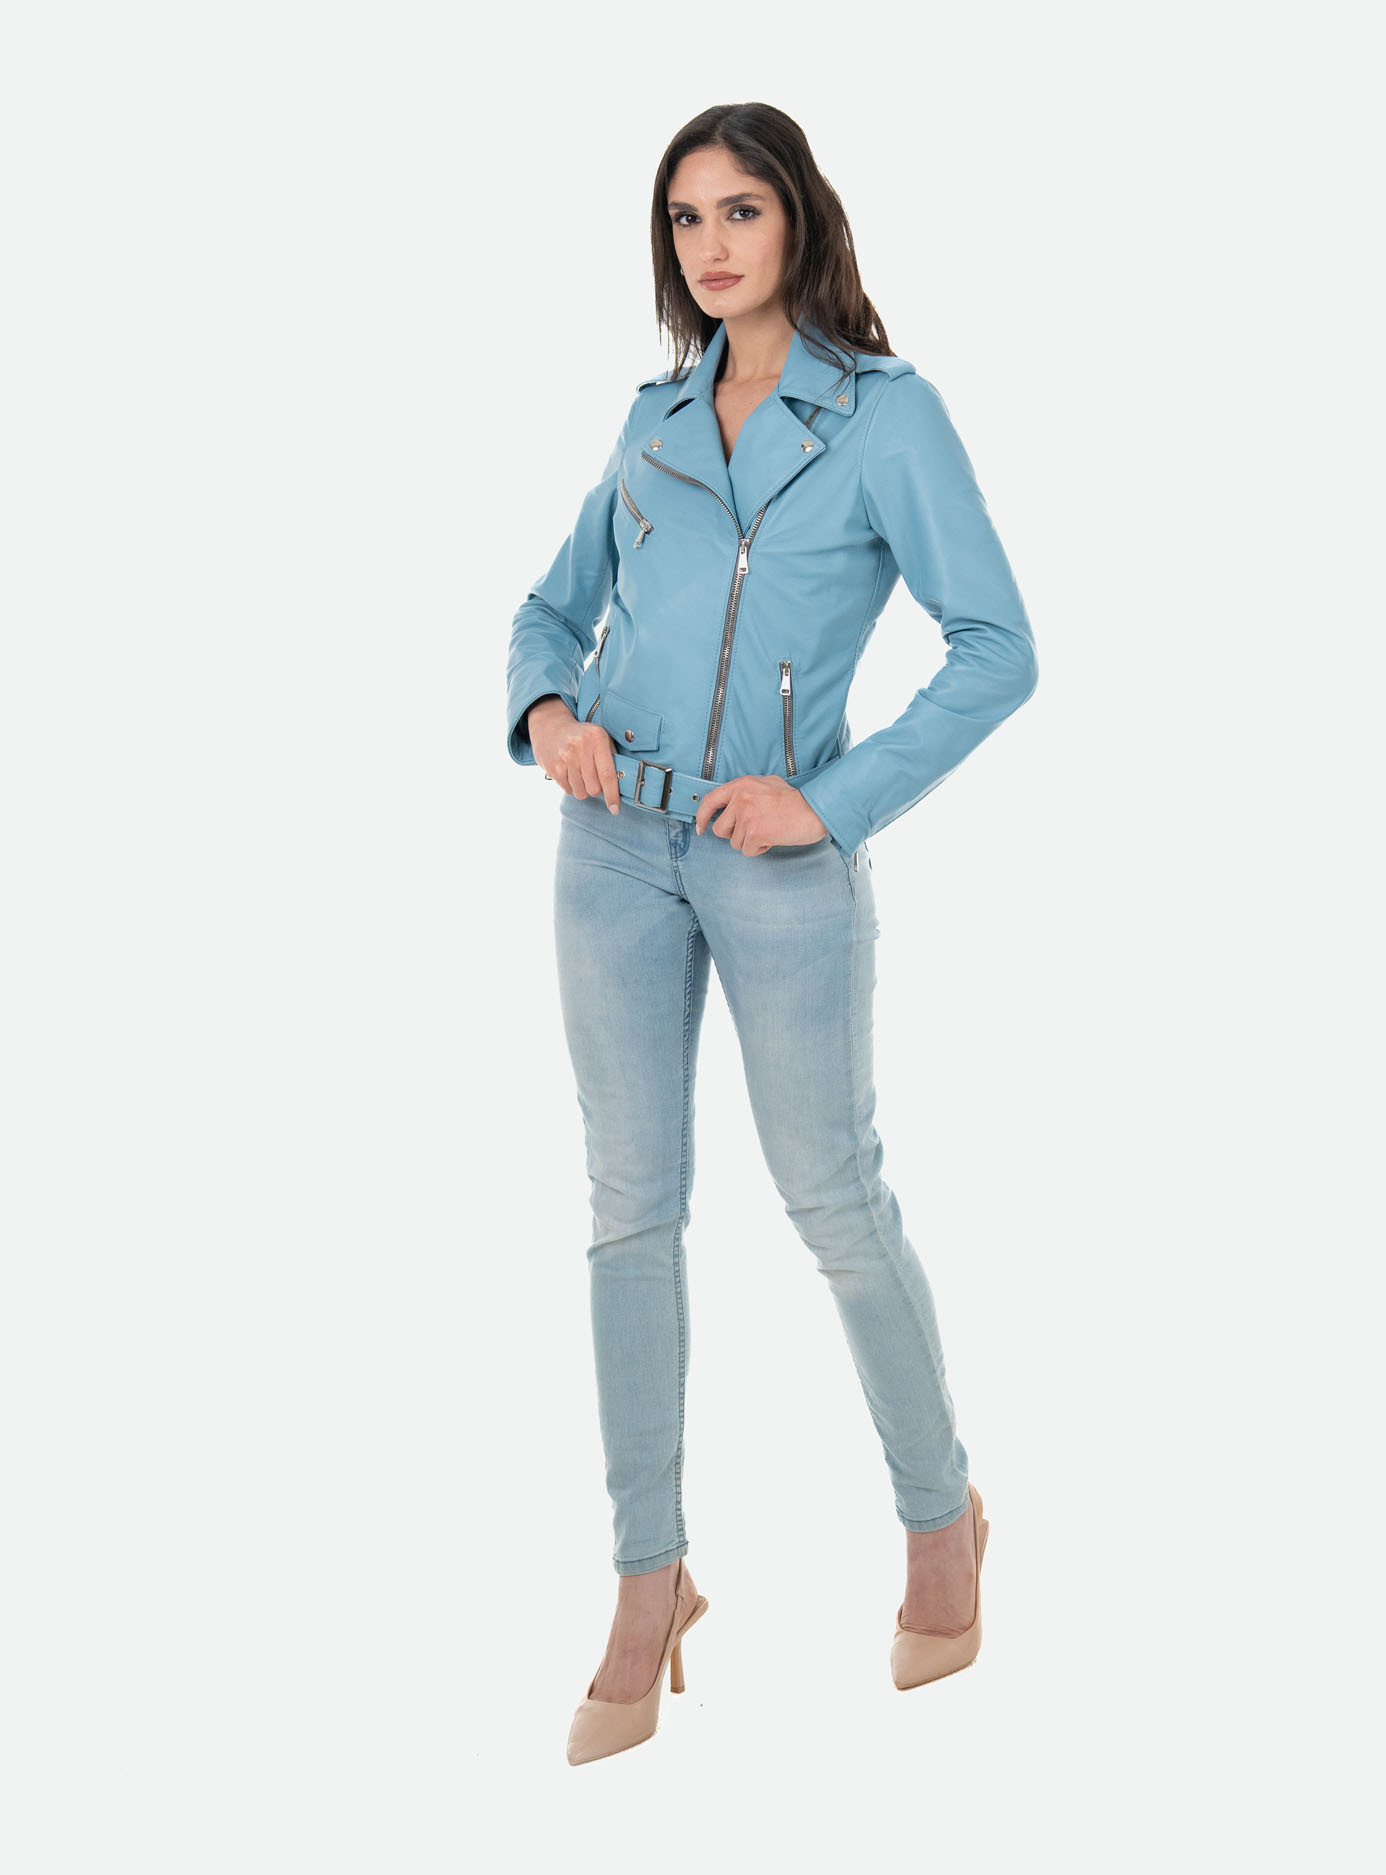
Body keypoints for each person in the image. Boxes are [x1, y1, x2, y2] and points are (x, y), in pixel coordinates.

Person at [505, 102, 1037, 1765]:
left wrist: (835, 800)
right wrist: (546, 715)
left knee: (834, 1199)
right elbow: (549, 611)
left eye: (740, 209)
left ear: (799, 217)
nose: (712, 244)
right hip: (611, 850)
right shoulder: (653, 418)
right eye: (685, 218)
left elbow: (996, 645)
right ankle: (647, 1580)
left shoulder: (886, 417)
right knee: (627, 1213)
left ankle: (941, 1516)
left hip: (776, 861)